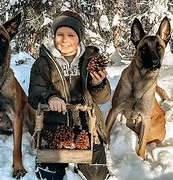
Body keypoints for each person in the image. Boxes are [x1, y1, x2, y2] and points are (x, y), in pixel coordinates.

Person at [28, 10, 111, 180]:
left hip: (88, 127)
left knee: (97, 175)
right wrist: (50, 97)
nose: (65, 40)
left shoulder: (90, 61)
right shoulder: (42, 64)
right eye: (60, 34)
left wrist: (98, 84)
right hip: (54, 128)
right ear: (54, 36)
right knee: (49, 174)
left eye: (71, 35)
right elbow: (35, 93)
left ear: (79, 37)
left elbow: (103, 98)